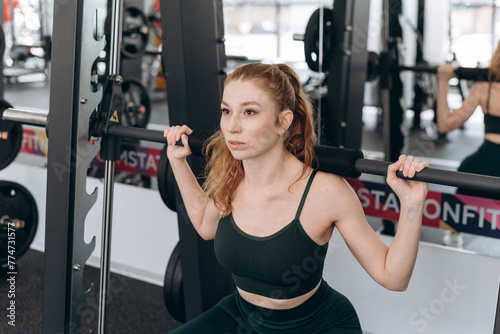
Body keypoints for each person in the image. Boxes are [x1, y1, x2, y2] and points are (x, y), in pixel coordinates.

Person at [164, 62, 429, 333]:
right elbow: (205, 226)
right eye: (226, 111)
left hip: (315, 325)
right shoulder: (230, 177)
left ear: (284, 121)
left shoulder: (326, 192)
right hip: (242, 317)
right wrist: (177, 163)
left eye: (249, 112)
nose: (232, 126)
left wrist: (412, 204)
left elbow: (392, 277)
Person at [437, 41, 500, 247]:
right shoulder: (484, 87)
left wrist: (443, 81)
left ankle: (454, 232)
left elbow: (445, 124)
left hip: (483, 164)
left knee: (467, 168)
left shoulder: (485, 89)